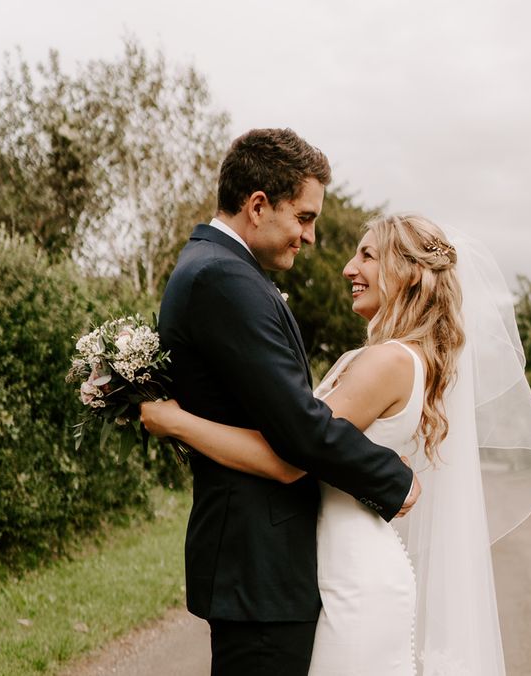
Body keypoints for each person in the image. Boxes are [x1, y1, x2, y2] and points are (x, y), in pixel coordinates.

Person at [144, 214, 531, 674]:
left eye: (367, 255)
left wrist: (177, 422)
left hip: (355, 578)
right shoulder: (398, 357)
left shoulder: (387, 362)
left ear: (407, 272)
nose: (348, 268)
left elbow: (290, 457)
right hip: (341, 566)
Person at [155, 128, 419, 676]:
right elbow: (299, 429)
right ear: (258, 206)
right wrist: (393, 479)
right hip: (260, 569)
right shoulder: (224, 278)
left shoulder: (218, 269)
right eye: (304, 217)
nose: (312, 237)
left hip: (260, 565)